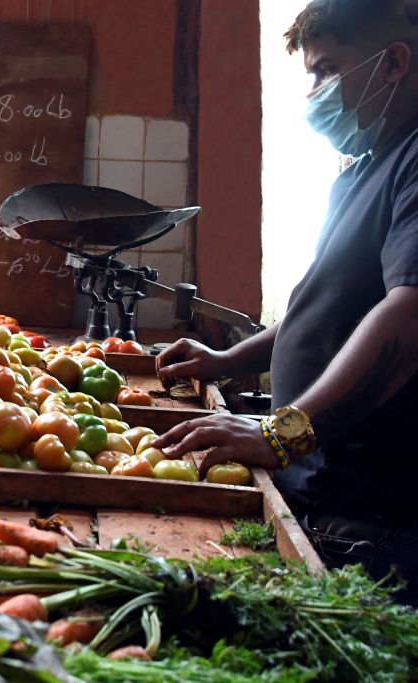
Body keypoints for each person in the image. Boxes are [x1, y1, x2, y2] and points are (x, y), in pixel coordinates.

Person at [154, 0, 418, 604]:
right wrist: (226, 362)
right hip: (318, 488)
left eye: (327, 70)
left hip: (369, 514)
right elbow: (321, 308)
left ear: (393, 63)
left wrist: (282, 435)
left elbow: (406, 323)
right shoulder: (364, 165)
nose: (316, 93)